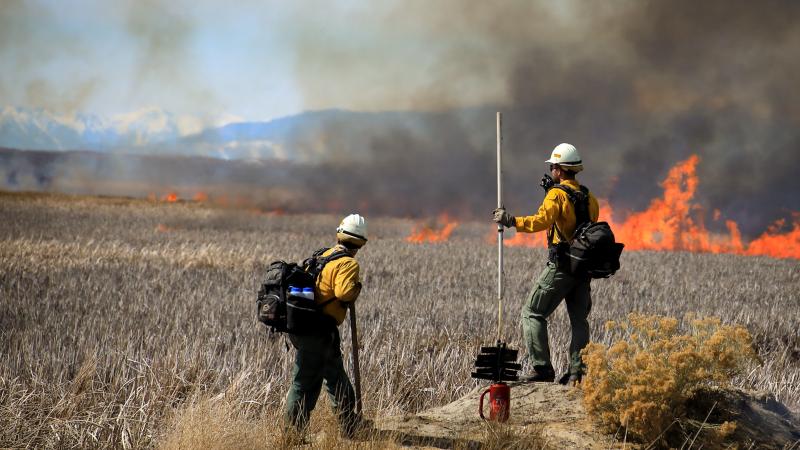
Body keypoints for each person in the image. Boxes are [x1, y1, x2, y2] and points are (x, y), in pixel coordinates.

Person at [492, 143, 599, 384]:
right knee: (579, 321)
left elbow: (542, 220)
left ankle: (542, 369)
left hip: (561, 266)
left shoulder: (557, 195)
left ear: (560, 170)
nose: (551, 168)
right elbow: (581, 225)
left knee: (532, 312)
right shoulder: (590, 197)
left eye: (553, 165)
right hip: (583, 269)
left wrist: (510, 220)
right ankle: (577, 373)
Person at [285, 213, 368, 437]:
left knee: (335, 376)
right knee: (305, 383)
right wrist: (357, 288)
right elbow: (344, 293)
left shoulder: (324, 254)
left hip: (304, 327)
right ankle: (291, 436)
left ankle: (350, 425)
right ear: (362, 242)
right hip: (318, 332)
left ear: (339, 234)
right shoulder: (347, 263)